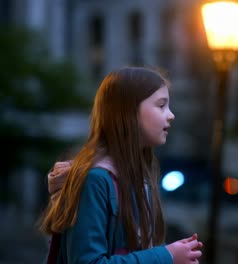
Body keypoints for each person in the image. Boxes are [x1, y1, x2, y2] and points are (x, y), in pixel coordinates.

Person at [38, 66, 203, 264]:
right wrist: (166, 256)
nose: (171, 115)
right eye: (161, 105)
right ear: (128, 113)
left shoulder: (137, 178)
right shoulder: (95, 180)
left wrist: (175, 255)